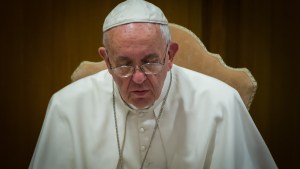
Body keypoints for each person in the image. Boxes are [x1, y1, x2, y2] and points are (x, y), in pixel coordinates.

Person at [29, 0, 277, 168]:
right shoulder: (67, 106)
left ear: (170, 55)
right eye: (124, 64)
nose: (138, 78)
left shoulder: (221, 102)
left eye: (150, 61)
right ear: (106, 60)